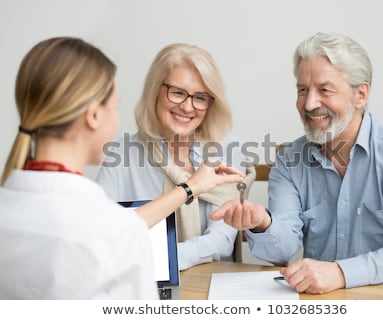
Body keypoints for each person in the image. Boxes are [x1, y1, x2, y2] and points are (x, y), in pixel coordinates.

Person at [0, 37, 244, 299]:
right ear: (94, 116)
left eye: (200, 97)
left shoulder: (104, 225)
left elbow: (117, 227)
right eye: (115, 107)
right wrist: (190, 188)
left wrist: (189, 189)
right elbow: (118, 232)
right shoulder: (116, 231)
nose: (187, 105)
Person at [211, 32, 383, 294]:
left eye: (324, 90)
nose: (310, 103)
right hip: (329, 302)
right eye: (302, 90)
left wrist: (341, 273)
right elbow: (283, 247)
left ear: (361, 95)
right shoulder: (290, 160)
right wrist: (261, 223)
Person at [97, 43, 254, 271]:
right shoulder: (121, 153)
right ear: (155, 91)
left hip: (209, 284)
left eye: (200, 97)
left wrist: (161, 258)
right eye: (178, 93)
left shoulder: (230, 149)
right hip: (143, 285)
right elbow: (102, 232)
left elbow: (220, 240)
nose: (188, 107)